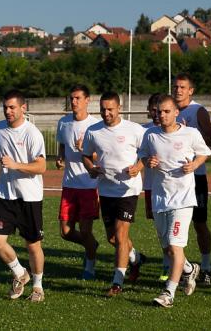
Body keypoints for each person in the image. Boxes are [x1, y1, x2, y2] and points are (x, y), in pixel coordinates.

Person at [139, 95, 210, 308]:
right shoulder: (150, 135)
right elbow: (143, 155)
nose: (162, 115)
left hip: (183, 199)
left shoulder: (190, 133)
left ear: (176, 112)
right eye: (159, 111)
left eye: (167, 111)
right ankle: (190, 269)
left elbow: (204, 153)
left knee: (174, 245)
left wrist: (194, 165)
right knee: (168, 250)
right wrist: (147, 161)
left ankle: (168, 293)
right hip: (161, 198)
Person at [82, 91, 147, 296]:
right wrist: (91, 168)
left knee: (120, 235)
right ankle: (136, 259)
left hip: (128, 190)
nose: (106, 113)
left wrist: (138, 167)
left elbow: (146, 152)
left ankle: (117, 282)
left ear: (119, 108)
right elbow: (85, 156)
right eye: (103, 109)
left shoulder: (134, 129)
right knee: (113, 238)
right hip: (106, 189)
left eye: (110, 109)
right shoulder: (93, 131)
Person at [0, 89, 48, 302]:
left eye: (12, 107)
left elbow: (41, 167)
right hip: (4, 195)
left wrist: (15, 165)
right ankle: (20, 272)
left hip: (29, 197)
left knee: (32, 245)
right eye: (5, 107)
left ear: (23, 108)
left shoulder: (32, 133)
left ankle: (38, 287)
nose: (8, 111)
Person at [172, 73, 211, 285]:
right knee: (172, 227)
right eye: (176, 87)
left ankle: (206, 266)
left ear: (191, 90)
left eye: (183, 87)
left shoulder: (197, 111)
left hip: (195, 177)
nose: (178, 90)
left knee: (199, 224)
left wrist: (189, 134)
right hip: (171, 180)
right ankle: (178, 268)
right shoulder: (168, 109)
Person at [55, 84, 102, 280]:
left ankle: (89, 266)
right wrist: (59, 158)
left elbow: (101, 156)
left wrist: (87, 151)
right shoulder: (63, 122)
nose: (73, 102)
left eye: (77, 98)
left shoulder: (96, 125)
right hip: (69, 185)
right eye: (71, 98)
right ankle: (92, 245)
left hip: (89, 186)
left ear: (87, 100)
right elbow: (62, 144)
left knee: (84, 230)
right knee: (65, 232)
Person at [141, 93, 170, 281]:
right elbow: (138, 154)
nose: (156, 114)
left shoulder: (175, 130)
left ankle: (174, 264)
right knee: (161, 229)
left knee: (174, 229)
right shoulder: (145, 131)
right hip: (151, 186)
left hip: (173, 187)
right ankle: (168, 262)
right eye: (153, 110)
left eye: (158, 110)